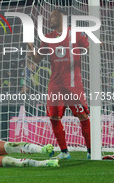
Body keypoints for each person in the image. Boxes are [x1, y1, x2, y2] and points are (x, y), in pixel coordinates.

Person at [28, 9, 91, 160]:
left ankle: (90, 150)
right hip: (55, 84)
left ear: (61, 18)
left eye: (52, 17)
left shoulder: (75, 34)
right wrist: (31, 47)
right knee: (54, 117)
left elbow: (90, 49)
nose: (49, 20)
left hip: (72, 83)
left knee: (82, 115)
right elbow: (37, 60)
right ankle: (64, 152)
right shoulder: (48, 37)